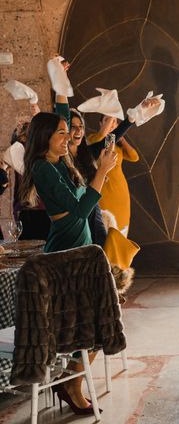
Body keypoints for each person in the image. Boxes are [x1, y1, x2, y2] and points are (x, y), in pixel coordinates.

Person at [19, 110, 117, 414]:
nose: (68, 137)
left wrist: (60, 82)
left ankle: (71, 381)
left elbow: (84, 205)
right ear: (45, 136)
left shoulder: (62, 162)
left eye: (68, 131)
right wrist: (101, 173)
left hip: (81, 246)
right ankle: (72, 383)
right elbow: (79, 209)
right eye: (61, 132)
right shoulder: (42, 167)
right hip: (66, 249)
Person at [86, 113, 140, 236]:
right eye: (108, 120)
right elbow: (103, 138)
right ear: (101, 123)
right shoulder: (93, 140)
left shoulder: (116, 146)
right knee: (103, 228)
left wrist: (121, 138)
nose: (112, 123)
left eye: (115, 121)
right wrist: (112, 120)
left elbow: (134, 157)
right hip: (102, 190)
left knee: (119, 231)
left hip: (120, 192)